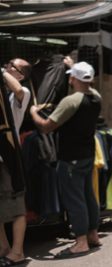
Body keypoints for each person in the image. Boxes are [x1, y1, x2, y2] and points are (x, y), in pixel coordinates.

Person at [29, 59, 102, 259]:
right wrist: (74, 65)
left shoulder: (71, 101)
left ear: (73, 79)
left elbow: (45, 126)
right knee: (88, 196)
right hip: (87, 154)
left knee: (74, 198)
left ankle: (80, 242)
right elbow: (88, 84)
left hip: (71, 158)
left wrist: (34, 112)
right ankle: (93, 234)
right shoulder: (96, 97)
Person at [0, 59, 30, 265]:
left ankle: (18, 251)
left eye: (14, 67)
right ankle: (3, 247)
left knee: (17, 204)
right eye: (8, 64)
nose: (9, 67)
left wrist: (1, 71)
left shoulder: (22, 93)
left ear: (21, 75)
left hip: (8, 156)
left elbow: (18, 90)